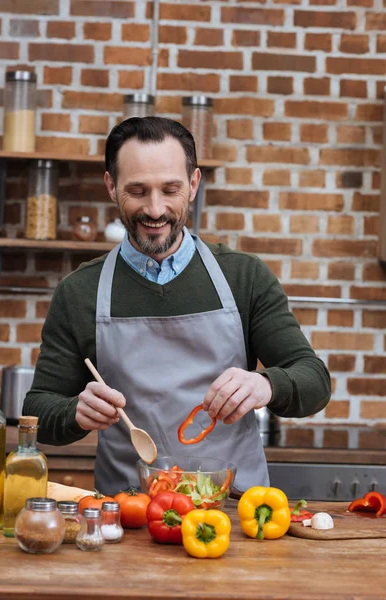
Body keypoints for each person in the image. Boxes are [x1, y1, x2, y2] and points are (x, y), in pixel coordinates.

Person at [23, 116, 331, 494]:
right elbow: (37, 410)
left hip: (233, 513)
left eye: (170, 189)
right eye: (137, 191)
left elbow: (314, 380)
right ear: (111, 186)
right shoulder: (79, 292)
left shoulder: (244, 277)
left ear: (194, 184)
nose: (155, 210)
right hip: (129, 515)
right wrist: (75, 414)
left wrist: (265, 385)